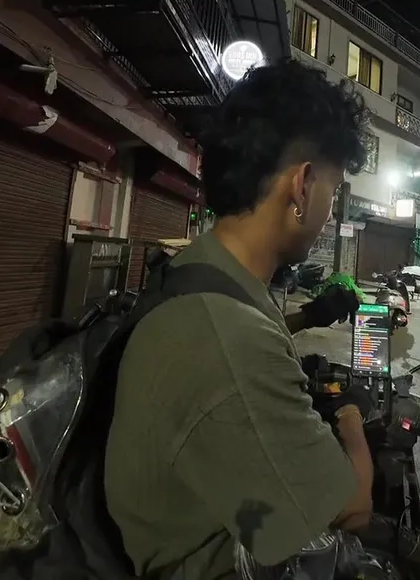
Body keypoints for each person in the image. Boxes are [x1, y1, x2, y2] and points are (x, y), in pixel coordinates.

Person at [105, 60, 375, 579]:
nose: (329, 212)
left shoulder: (201, 267)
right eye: (334, 190)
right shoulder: (230, 342)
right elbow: (350, 507)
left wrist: (307, 317)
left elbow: (241, 327)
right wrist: (351, 415)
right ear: (303, 185)